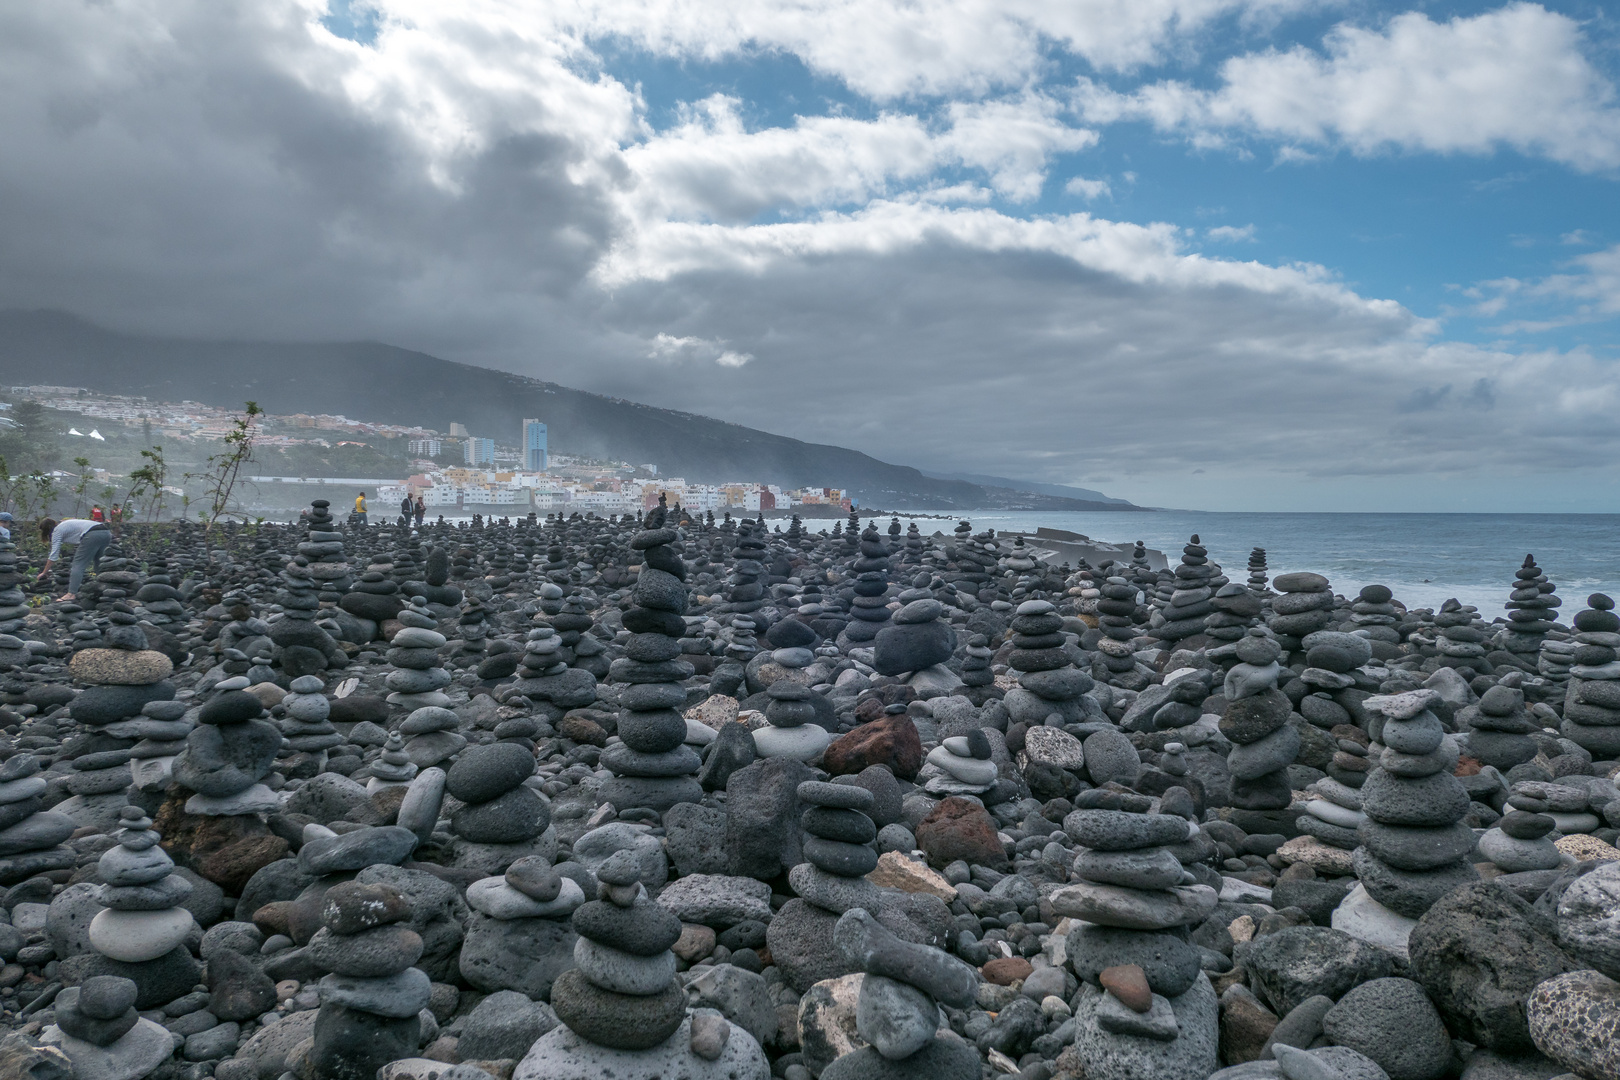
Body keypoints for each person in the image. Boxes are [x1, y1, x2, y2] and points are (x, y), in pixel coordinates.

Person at [36, 517, 112, 599]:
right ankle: (105, 589)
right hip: (106, 532)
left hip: (91, 534)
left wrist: (44, 572)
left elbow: (54, 555)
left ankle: (71, 594)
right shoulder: (65, 524)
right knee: (99, 562)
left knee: (78, 564)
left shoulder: (57, 531)